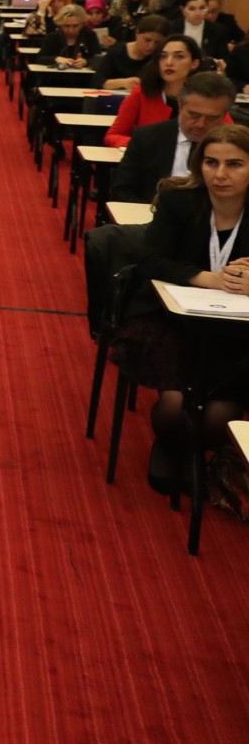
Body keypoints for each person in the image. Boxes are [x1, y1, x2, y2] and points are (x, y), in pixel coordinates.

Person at [125, 127, 249, 497]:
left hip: (238, 332)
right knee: (174, 406)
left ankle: (197, 451)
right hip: (172, 319)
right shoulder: (179, 200)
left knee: (218, 415)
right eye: (211, 163)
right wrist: (207, 278)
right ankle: (170, 445)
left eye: (234, 164)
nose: (220, 174)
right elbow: (149, 260)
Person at [108, 71, 235, 204]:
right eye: (194, 115)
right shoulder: (146, 137)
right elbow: (122, 192)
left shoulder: (235, 146)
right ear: (180, 104)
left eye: (212, 118)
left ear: (224, 114)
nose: (200, 124)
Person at [106, 36, 201, 147]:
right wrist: (140, 147)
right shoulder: (141, 93)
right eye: (163, 56)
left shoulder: (206, 98)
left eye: (179, 56)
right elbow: (114, 135)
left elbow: (218, 137)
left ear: (194, 64)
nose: (169, 62)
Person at [94, 14, 168, 90]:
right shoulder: (116, 51)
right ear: (137, 33)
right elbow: (98, 81)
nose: (151, 46)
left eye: (157, 42)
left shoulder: (161, 57)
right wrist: (123, 82)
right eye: (147, 40)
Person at [38, 5, 103, 70]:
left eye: (75, 26)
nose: (70, 30)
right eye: (67, 26)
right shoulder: (52, 37)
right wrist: (56, 59)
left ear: (82, 24)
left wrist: (86, 61)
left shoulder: (90, 35)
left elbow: (98, 58)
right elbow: (39, 58)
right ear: (60, 24)